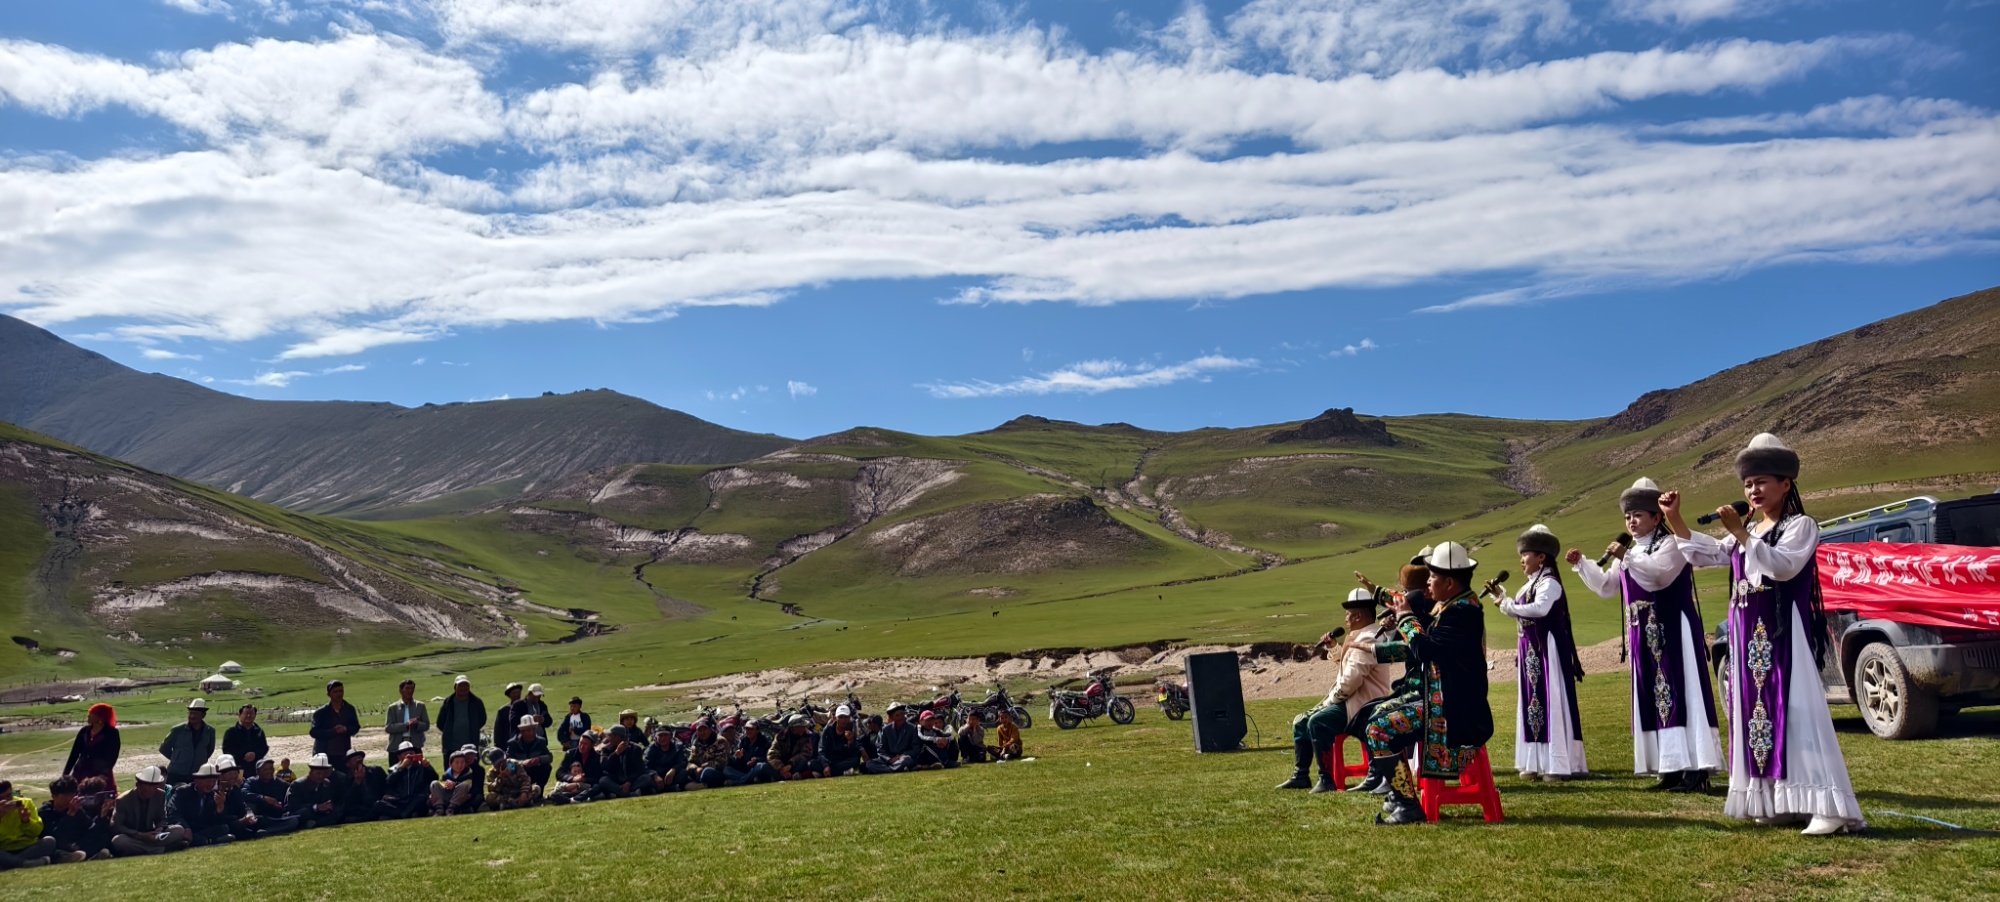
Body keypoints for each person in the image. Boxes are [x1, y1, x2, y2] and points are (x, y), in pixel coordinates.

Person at [1674, 433, 1866, 836]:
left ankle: (1826, 805)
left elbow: (1783, 567)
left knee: (1796, 711)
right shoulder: (1748, 528)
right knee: (1756, 715)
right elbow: (1710, 554)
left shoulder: (1801, 526)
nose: (1753, 490)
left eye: (1761, 482)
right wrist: (1675, 520)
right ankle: (1781, 801)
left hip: (1782, 634)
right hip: (1748, 636)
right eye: (1748, 484)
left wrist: (1742, 535)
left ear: (1785, 483)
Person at [1567, 477, 1724, 794]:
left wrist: (1626, 556)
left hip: (1673, 630)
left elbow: (1658, 576)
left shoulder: (1671, 544)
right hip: (1644, 637)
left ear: (1656, 517)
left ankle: (1696, 769)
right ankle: (1670, 767)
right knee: (1655, 698)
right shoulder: (1631, 552)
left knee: (1682, 692)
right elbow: (1607, 587)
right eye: (1628, 516)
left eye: (1638, 515)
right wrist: (1583, 564)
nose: (1631, 521)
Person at [1361, 542, 1494, 826]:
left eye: (1433, 576)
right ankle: (1400, 794)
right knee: (1373, 714)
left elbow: (1425, 649)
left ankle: (1407, 805)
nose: (1428, 582)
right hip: (1444, 702)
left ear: (1449, 583)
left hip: (1454, 713)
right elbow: (1427, 647)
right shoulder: (1455, 607)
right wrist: (1380, 649)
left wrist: (1405, 617)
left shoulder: (1461, 614)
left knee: (1378, 728)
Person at [1278, 588, 1396, 793]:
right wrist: (1334, 648)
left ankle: (1326, 779)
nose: (1345, 618)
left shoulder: (1368, 638)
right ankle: (1301, 775)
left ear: (1358, 616)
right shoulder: (1362, 635)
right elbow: (1350, 664)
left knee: (1317, 721)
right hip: (1352, 700)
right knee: (1300, 721)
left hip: (1361, 704)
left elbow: (1351, 681)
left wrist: (1330, 701)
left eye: (1348, 614)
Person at [1500, 525, 1588, 783]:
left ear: (1541, 557)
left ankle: (1556, 763)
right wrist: (1504, 601)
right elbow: (1522, 611)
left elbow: (1540, 609)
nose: (1521, 560)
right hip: (1530, 652)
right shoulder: (1530, 584)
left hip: (1547, 651)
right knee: (1532, 702)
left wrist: (1509, 606)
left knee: (1550, 699)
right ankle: (1535, 761)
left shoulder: (1549, 583)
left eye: (1525, 554)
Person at [110, 767, 190, 856]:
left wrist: (159, 829)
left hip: (153, 835)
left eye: (155, 785)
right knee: (118, 841)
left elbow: (161, 818)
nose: (152, 789)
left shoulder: (160, 794)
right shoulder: (123, 800)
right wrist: (140, 835)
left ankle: (144, 849)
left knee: (178, 830)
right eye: (149, 785)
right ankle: (161, 849)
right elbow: (116, 826)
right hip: (134, 836)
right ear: (138, 785)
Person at [1, 781, 78, 868]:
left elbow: (37, 832)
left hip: (27, 846)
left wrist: (27, 821)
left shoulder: (25, 803)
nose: (7, 801)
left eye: (9, 796)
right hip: (4, 848)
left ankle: (10, 863)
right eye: (1, 798)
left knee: (49, 841)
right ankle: (24, 863)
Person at [216, 759, 295, 840]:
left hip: (256, 819)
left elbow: (244, 806)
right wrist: (263, 798)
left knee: (291, 820)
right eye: (230, 774)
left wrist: (249, 815)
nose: (233, 776)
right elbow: (218, 817)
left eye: (235, 773)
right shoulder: (217, 791)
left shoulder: (235, 790)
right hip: (230, 824)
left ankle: (262, 832)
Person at [40, 777, 114, 861]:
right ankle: (75, 857)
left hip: (76, 845)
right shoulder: (44, 812)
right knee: (54, 848)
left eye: (72, 795)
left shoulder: (77, 810)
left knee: (101, 837)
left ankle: (85, 856)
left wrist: (102, 816)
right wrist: (69, 815)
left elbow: (92, 829)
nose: (69, 798)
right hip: (60, 847)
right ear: (54, 796)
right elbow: (55, 838)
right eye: (65, 795)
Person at [167, 764, 237, 846]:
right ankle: (210, 841)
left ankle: (203, 841)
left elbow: (213, 821)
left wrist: (220, 807)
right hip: (185, 827)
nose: (211, 784)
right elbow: (173, 813)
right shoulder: (182, 791)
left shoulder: (212, 795)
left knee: (224, 828)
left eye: (213, 781)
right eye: (208, 781)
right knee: (180, 832)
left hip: (200, 830)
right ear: (197, 780)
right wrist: (186, 827)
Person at [62, 704, 121, 789]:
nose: (88, 716)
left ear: (100, 717)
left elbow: (112, 756)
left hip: (100, 774)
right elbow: (74, 753)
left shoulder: (111, 733)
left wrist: (104, 774)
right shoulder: (84, 731)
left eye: (92, 714)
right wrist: (66, 773)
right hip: (80, 771)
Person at [159, 698, 216, 785]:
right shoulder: (178, 730)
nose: (192, 716)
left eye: (195, 714)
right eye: (190, 713)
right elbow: (163, 748)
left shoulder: (210, 731)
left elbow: (209, 750)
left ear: (203, 715)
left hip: (197, 775)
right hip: (176, 774)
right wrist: (177, 759)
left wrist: (199, 760)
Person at [374, 743, 438, 820]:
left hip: (415, 800)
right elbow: (388, 782)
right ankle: (406, 814)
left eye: (411, 753)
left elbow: (434, 778)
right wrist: (402, 767)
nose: (409, 755)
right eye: (406, 754)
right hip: (400, 800)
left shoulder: (421, 767)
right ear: (399, 756)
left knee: (422, 798)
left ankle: (401, 815)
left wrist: (428, 767)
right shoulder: (394, 769)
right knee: (378, 804)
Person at [309, 680, 362, 762]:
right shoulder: (321, 712)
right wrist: (334, 731)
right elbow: (314, 732)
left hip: (343, 753)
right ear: (328, 694)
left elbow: (356, 727)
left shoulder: (349, 709)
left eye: (340, 691)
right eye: (335, 692)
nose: (339, 694)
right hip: (324, 754)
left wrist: (345, 729)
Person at [284, 755, 343, 829]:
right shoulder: (297, 784)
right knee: (304, 812)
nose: (321, 776)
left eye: (324, 774)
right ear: (311, 772)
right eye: (318, 773)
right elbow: (293, 806)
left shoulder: (326, 783)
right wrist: (315, 807)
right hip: (302, 813)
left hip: (320, 814)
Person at [438, 675, 488, 756]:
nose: (463, 688)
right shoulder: (448, 702)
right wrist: (449, 730)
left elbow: (482, 719)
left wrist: (473, 728)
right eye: (460, 685)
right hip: (451, 746)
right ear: (455, 687)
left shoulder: (476, 702)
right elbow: (440, 722)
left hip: (471, 746)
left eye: (466, 685)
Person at [866, 704, 920, 774]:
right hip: (890, 759)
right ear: (892, 717)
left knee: (906, 759)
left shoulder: (912, 728)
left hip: (903, 757)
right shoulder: (886, 729)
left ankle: (888, 769)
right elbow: (881, 750)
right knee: (869, 763)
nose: (900, 717)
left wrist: (901, 756)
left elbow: (915, 749)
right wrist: (889, 760)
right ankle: (895, 769)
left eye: (902, 714)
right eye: (897, 715)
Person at [430, 746, 484, 815]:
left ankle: (452, 809)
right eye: (467, 754)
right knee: (434, 784)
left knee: (475, 796)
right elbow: (441, 784)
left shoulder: (474, 772)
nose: (468, 757)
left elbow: (476, 787)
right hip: (448, 796)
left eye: (471, 754)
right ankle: (439, 808)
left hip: (464, 797)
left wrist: (468, 795)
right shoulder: (447, 774)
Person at [337, 750, 386, 824]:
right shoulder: (345, 779)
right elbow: (348, 800)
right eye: (354, 759)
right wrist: (357, 782)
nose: (358, 761)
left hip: (377, 804)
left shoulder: (376, 771)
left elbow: (387, 787)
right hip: (361, 808)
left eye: (359, 758)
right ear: (348, 764)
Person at [597, 727, 648, 799]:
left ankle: (618, 793)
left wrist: (629, 782)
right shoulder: (606, 749)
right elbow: (604, 766)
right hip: (615, 780)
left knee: (646, 778)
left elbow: (639, 769)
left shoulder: (635, 748)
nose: (608, 739)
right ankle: (629, 793)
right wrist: (616, 753)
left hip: (631, 780)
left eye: (610, 736)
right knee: (603, 780)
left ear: (617, 737)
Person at [506, 715, 555, 789]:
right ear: (522, 731)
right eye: (528, 730)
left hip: (534, 771)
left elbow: (549, 757)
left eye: (534, 730)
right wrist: (521, 763)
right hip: (519, 773)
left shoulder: (541, 741)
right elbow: (508, 763)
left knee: (546, 767)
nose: (532, 733)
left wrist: (539, 759)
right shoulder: (513, 743)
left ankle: (539, 790)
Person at [772, 714, 827, 779]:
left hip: (795, 764)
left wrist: (790, 765)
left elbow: (806, 754)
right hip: (783, 763)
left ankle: (793, 775)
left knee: (807, 763)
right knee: (766, 766)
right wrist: (781, 768)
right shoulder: (781, 736)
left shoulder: (807, 736)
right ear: (794, 727)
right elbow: (772, 753)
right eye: (802, 727)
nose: (804, 728)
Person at [725, 721, 779, 786]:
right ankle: (750, 779)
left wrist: (757, 760)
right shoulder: (743, 742)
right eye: (747, 729)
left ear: (757, 730)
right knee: (726, 769)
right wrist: (738, 758)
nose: (748, 731)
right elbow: (737, 763)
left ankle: (739, 781)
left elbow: (769, 759)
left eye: (751, 729)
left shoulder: (764, 742)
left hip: (756, 769)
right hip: (746, 770)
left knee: (761, 765)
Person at [386, 679, 431, 755]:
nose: (410, 691)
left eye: (412, 688)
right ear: (401, 690)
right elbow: (388, 727)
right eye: (407, 688)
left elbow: (426, 725)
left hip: (415, 746)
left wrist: (417, 724)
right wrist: (406, 725)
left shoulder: (420, 706)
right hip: (396, 747)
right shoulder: (392, 708)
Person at [819, 706, 865, 776]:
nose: (843, 720)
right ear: (836, 718)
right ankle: (841, 772)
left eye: (845, 717)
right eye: (840, 717)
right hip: (829, 760)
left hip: (842, 761)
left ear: (849, 718)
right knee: (812, 763)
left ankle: (828, 772)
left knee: (855, 761)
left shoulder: (851, 730)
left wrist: (850, 742)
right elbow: (821, 749)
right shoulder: (828, 730)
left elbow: (853, 754)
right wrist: (825, 765)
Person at [685, 719, 730, 789]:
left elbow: (721, 762)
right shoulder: (696, 744)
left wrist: (702, 768)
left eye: (704, 730)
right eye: (700, 730)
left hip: (717, 771)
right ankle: (698, 784)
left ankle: (700, 784)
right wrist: (695, 769)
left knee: (707, 772)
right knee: (683, 773)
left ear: (710, 730)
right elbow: (691, 761)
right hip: (698, 772)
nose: (702, 732)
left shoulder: (720, 741)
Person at [643, 727, 688, 793]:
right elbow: (646, 766)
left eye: (665, 735)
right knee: (646, 778)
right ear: (656, 737)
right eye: (660, 736)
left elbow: (683, 761)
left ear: (671, 736)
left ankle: (661, 789)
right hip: (657, 775)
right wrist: (655, 775)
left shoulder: (677, 746)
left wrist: (673, 769)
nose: (663, 738)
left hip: (672, 775)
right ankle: (671, 788)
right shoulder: (651, 748)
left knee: (683, 772)